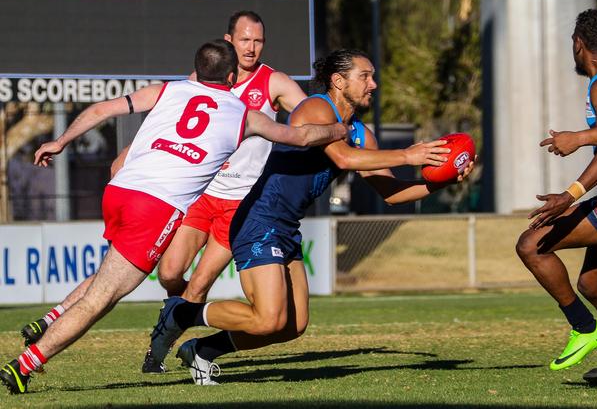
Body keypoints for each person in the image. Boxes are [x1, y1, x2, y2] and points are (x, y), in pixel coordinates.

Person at [0, 39, 351, 395]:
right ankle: (24, 365)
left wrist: (60, 141)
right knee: (103, 297)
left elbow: (101, 111)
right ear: (232, 76)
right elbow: (301, 136)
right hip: (154, 207)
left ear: (197, 71)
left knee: (109, 274)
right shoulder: (243, 113)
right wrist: (339, 130)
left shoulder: (168, 89)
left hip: (120, 191)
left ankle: (50, 318)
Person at [148, 49, 474, 386]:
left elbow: (391, 193)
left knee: (292, 326)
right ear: (338, 81)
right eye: (365, 76)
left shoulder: (362, 133)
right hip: (259, 220)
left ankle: (202, 350)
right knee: (268, 318)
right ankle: (181, 311)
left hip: (286, 227)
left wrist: (438, 182)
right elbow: (344, 158)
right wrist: (409, 153)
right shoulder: (315, 108)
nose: (373, 84)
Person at [516, 9, 597, 372]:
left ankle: (584, 328)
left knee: (531, 245)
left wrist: (569, 195)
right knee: (592, 285)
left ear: (579, 44)